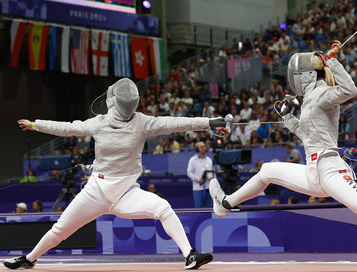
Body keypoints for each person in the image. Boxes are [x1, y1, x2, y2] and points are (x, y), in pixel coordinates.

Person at [209, 41, 357, 269]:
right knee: (267, 171)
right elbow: (308, 136)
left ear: (306, 75)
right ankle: (225, 204)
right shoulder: (309, 100)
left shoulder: (324, 94)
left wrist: (332, 62)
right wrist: (288, 117)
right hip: (313, 172)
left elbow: (350, 90)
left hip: (331, 169)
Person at [5, 78, 222, 270]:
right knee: (60, 229)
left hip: (126, 194)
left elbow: (178, 123)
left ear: (111, 100)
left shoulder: (142, 122)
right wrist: (36, 124)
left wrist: (210, 123)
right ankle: (30, 258)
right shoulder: (100, 123)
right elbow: (66, 128)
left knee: (163, 208)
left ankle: (190, 255)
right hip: (96, 192)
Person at [187, 141, 214, 208]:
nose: (204, 148)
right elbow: (189, 172)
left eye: (204, 146)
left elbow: (212, 172)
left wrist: (213, 181)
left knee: (210, 208)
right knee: (199, 209)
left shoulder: (209, 160)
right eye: (201, 147)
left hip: (209, 188)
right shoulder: (193, 160)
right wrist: (198, 179)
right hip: (198, 188)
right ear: (197, 149)